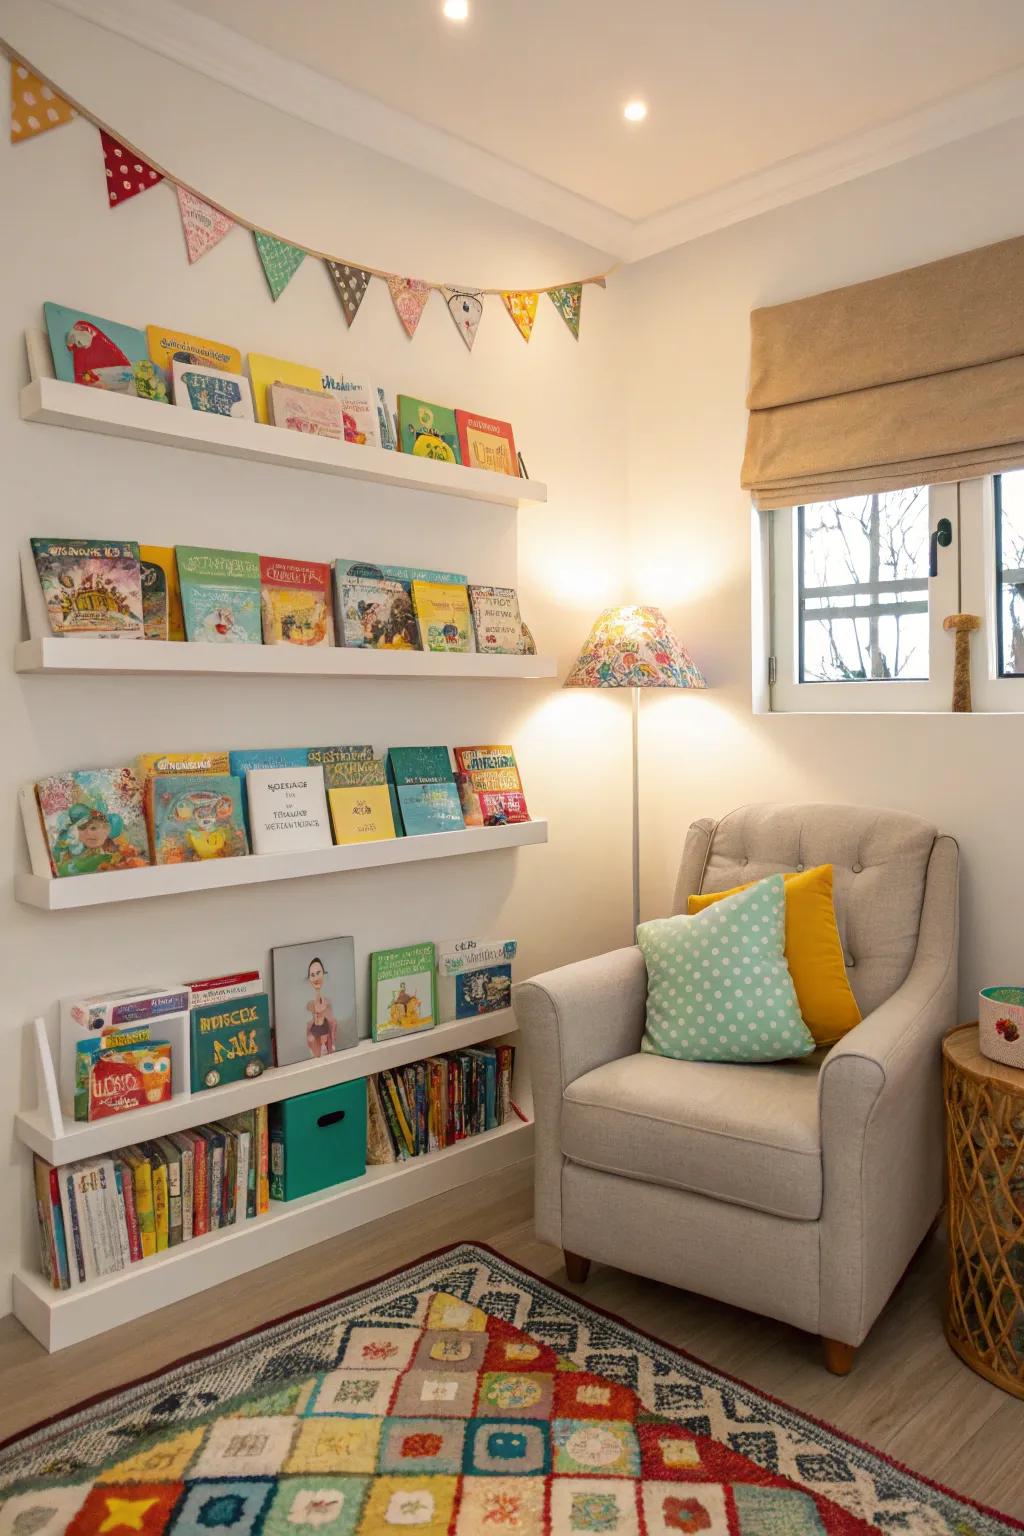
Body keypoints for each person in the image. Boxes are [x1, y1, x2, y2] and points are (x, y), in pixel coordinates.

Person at [305, 955, 338, 1057]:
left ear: (323, 973)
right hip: (315, 1039)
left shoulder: (329, 1001)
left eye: (318, 973)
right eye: (312, 975)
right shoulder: (309, 1004)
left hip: (326, 1035)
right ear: (309, 978)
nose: (316, 978)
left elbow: (331, 1021)